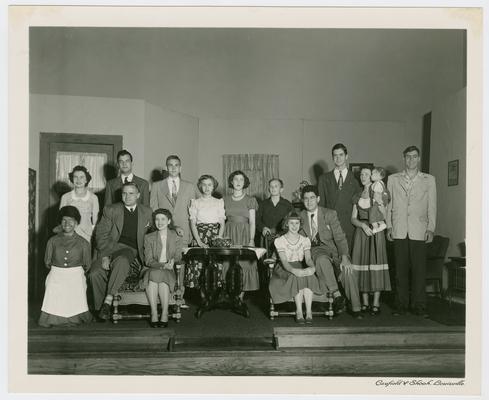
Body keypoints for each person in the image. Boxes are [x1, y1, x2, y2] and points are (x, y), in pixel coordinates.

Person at [88, 182, 153, 320]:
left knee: (122, 261)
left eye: (131, 193)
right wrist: (105, 255)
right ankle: (101, 311)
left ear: (138, 195)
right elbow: (101, 234)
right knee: (94, 273)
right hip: (109, 247)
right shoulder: (110, 209)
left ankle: (108, 300)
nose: (127, 196)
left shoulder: (147, 212)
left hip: (130, 250)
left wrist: (175, 228)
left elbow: (158, 227)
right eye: (124, 193)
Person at [386, 146, 436, 317]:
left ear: (419, 159)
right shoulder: (393, 179)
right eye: (408, 157)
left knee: (419, 270)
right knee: (400, 270)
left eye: (414, 157)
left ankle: (419, 305)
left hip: (420, 230)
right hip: (399, 229)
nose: (411, 160)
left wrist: (431, 228)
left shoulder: (429, 180)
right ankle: (400, 304)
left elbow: (432, 206)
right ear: (403, 158)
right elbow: (388, 205)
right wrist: (389, 226)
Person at [299, 185, 362, 318]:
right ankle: (336, 295)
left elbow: (340, 237)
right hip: (313, 251)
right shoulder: (299, 217)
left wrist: (344, 257)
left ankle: (356, 308)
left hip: (332, 250)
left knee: (347, 270)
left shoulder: (329, 214)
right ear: (302, 200)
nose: (309, 202)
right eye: (306, 199)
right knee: (322, 260)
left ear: (318, 199)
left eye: (312, 198)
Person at [150, 155, 200, 308]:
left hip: (185, 231)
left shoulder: (190, 186)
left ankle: (179, 297)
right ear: (166, 167)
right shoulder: (157, 186)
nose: (173, 168)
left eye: (176, 165)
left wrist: (194, 234)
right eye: (170, 165)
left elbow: (197, 210)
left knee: (180, 264)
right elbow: (153, 209)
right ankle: (166, 297)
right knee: (164, 260)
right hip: (164, 230)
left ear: (180, 168)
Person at [39, 206, 93, 327]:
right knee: (52, 284)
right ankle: (53, 318)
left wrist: (73, 273)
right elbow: (47, 262)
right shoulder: (52, 241)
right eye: (64, 220)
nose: (67, 223)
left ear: (76, 223)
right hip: (56, 273)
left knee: (77, 285)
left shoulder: (83, 243)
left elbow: (87, 265)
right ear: (60, 222)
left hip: (75, 274)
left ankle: (74, 318)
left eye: (71, 220)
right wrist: (59, 272)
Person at [350, 168, 391, 316]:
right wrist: (362, 225)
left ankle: (376, 303)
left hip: (376, 232)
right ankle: (365, 302)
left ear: (373, 177)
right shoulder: (357, 195)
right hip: (362, 232)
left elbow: (385, 213)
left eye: (366, 174)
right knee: (362, 265)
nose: (363, 176)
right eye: (361, 174)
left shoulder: (380, 192)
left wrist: (380, 203)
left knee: (376, 263)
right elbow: (353, 218)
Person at [269, 211, 322, 324]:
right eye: (291, 223)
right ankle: (299, 311)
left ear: (300, 224)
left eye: (297, 223)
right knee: (297, 276)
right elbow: (284, 261)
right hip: (284, 268)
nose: (294, 226)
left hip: (299, 264)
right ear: (286, 224)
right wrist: (294, 271)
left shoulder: (304, 240)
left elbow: (307, 259)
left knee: (308, 275)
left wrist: (312, 268)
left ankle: (308, 312)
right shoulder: (280, 241)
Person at [140, 209, 183, 328]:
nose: (160, 222)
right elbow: (148, 260)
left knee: (162, 276)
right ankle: (154, 313)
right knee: (155, 274)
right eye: (157, 219)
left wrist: (172, 261)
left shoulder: (176, 236)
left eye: (163, 219)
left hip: (169, 269)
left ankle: (164, 313)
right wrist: (162, 265)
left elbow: (178, 255)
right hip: (152, 268)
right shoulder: (149, 237)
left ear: (169, 221)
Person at [223, 170, 260, 298]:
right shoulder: (224, 199)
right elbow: (221, 221)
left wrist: (251, 239)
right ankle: (230, 291)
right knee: (228, 263)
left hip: (244, 233)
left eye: (241, 180)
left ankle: (240, 295)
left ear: (245, 183)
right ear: (231, 182)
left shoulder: (250, 200)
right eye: (236, 179)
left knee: (243, 263)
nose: (238, 182)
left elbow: (253, 222)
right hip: (228, 233)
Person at [317, 143, 361, 249]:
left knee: (349, 259)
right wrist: (323, 225)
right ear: (332, 158)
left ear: (346, 156)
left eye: (341, 155)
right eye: (335, 155)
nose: (338, 158)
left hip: (350, 226)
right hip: (331, 226)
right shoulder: (324, 178)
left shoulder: (357, 178)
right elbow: (321, 204)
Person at [186, 175, 226, 288]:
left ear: (213, 187)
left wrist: (218, 238)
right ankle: (202, 297)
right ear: (200, 186)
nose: (207, 187)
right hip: (200, 235)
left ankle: (213, 296)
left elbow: (222, 223)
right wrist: (198, 241)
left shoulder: (219, 202)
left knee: (214, 264)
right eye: (204, 185)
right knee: (199, 265)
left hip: (214, 235)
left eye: (209, 185)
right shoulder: (195, 202)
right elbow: (192, 223)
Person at [57, 165, 99, 243]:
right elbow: (61, 219)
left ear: (86, 179)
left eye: (81, 177)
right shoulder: (65, 197)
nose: (78, 180)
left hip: (86, 235)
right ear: (72, 179)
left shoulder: (93, 198)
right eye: (75, 177)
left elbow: (95, 221)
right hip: (68, 234)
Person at [256, 178, 294, 252]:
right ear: (268, 189)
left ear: (281, 189)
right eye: (271, 186)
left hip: (284, 238)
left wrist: (284, 233)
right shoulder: (263, 204)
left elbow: (293, 221)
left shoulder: (287, 205)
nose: (273, 188)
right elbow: (257, 220)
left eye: (276, 186)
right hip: (266, 238)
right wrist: (263, 227)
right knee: (266, 260)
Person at [368, 167, 390, 234]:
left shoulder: (377, 184)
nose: (371, 175)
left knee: (372, 215)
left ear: (379, 176)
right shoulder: (382, 183)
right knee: (378, 216)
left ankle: (375, 227)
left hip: (378, 202)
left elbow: (377, 195)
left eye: (372, 174)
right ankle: (382, 224)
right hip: (381, 202)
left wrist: (380, 203)